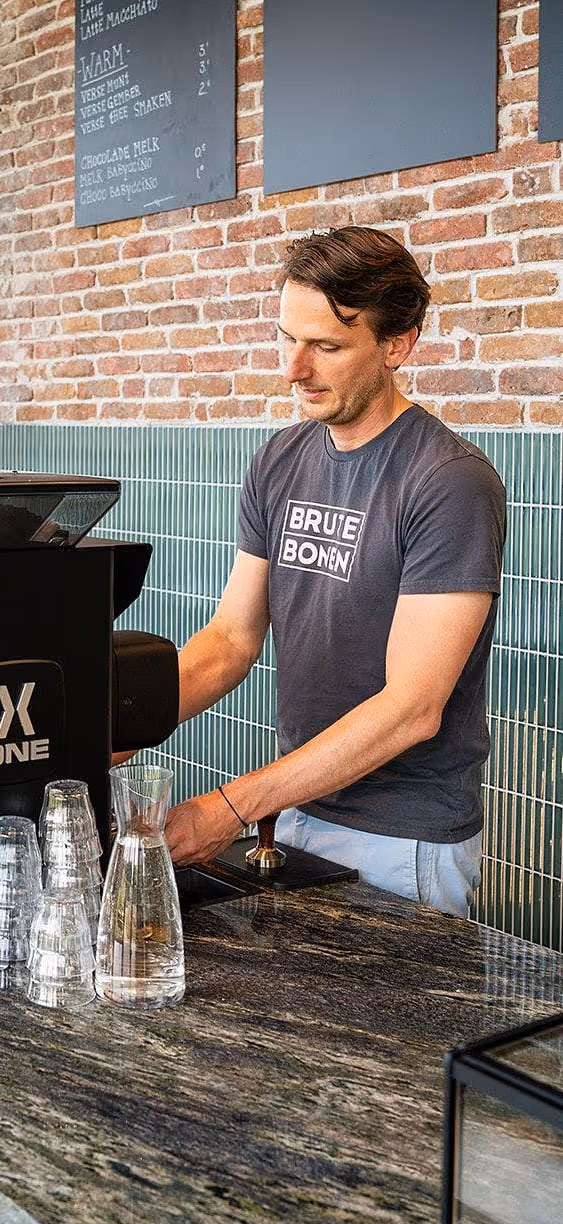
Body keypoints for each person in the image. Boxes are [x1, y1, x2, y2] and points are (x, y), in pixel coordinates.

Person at [162, 225, 506, 917]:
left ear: (397, 344)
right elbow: (230, 639)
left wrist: (230, 805)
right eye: (288, 338)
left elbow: (413, 707)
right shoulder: (280, 460)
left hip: (403, 840)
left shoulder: (448, 481)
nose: (294, 368)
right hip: (295, 812)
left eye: (325, 346)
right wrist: (119, 723)